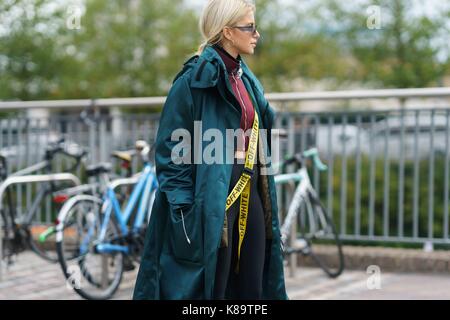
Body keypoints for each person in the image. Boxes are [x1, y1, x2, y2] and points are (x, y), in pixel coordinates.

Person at [133, 0, 287, 300]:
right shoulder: (192, 81)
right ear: (228, 32)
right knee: (212, 287)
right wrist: (184, 209)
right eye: (250, 27)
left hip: (252, 189)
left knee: (252, 285)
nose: (257, 34)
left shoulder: (245, 78)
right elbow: (170, 152)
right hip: (209, 197)